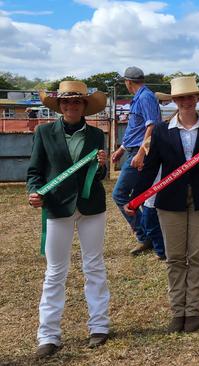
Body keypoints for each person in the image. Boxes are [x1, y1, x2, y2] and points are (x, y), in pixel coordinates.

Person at [127, 76, 199, 333]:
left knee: (197, 257)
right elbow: (150, 169)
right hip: (170, 201)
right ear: (174, 101)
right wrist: (136, 197)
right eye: (181, 98)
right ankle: (178, 311)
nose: (186, 101)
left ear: (198, 99)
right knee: (175, 258)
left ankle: (194, 312)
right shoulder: (161, 132)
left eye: (191, 97)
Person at [27, 81, 110, 357]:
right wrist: (33, 192)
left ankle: (99, 326)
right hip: (57, 207)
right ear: (59, 106)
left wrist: (101, 166)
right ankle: (48, 335)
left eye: (76, 102)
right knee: (55, 272)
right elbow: (34, 172)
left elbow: (100, 176)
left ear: (84, 106)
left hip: (91, 207)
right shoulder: (44, 133)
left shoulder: (98, 135)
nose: (71, 106)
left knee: (94, 265)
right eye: (66, 102)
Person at [111, 66, 164, 257]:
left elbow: (152, 126)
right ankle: (151, 234)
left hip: (140, 153)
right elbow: (137, 129)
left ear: (128, 82)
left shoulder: (145, 97)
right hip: (134, 150)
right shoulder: (140, 97)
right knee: (138, 195)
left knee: (120, 194)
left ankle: (145, 235)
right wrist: (122, 149)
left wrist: (142, 152)